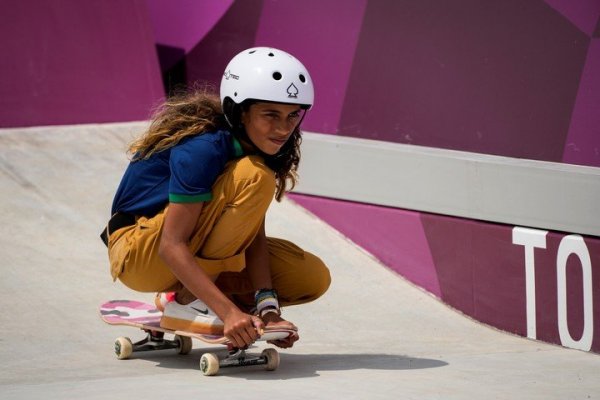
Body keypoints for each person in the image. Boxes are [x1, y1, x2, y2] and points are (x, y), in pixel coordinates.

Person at [100, 47, 331, 350]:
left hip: (183, 249)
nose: (284, 128)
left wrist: (268, 308)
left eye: (292, 116)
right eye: (270, 114)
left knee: (309, 277)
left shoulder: (255, 146)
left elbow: (252, 234)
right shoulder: (203, 148)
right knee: (255, 176)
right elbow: (172, 245)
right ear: (239, 111)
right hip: (140, 253)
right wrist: (229, 312)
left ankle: (184, 297)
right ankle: (188, 301)